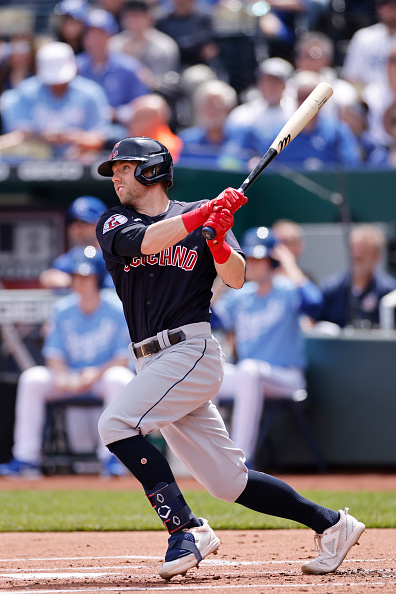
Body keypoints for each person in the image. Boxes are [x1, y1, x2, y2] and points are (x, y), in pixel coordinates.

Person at [93, 134, 365, 581]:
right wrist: (204, 215)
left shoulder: (199, 215)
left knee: (115, 424)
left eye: (124, 168)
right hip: (151, 360)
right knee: (227, 482)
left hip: (191, 349)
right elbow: (140, 243)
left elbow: (235, 277)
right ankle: (332, 524)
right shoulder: (114, 220)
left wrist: (218, 238)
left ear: (151, 170)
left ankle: (185, 529)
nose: (117, 176)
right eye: (116, 170)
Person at [0, 246, 135, 478]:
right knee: (33, 379)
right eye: (75, 276)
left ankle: (113, 459)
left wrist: (95, 373)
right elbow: (54, 354)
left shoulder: (116, 306)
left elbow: (123, 358)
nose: (79, 282)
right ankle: (26, 458)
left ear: (98, 279)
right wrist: (62, 375)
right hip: (70, 378)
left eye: (85, 277)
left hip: (101, 378)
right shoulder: (63, 308)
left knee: (120, 378)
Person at [212, 226, 322, 467]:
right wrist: (224, 273)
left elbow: (315, 303)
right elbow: (208, 317)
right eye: (248, 257)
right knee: (208, 375)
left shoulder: (287, 289)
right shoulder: (242, 295)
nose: (252, 263)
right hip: (250, 377)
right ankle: (214, 458)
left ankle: (241, 461)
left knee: (249, 370)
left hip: (287, 376)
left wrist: (290, 265)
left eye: (259, 258)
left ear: (272, 260)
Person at [0, 41, 110, 161]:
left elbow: (99, 138)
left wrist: (72, 137)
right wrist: (43, 137)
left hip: (77, 157)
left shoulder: (91, 92)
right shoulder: (26, 92)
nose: (57, 84)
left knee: (90, 158)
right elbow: (20, 135)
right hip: (33, 159)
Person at [267, 70, 362, 170]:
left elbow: (351, 165)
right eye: (301, 98)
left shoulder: (336, 131)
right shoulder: (280, 132)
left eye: (309, 97)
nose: (305, 103)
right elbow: (267, 167)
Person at [76, 7, 149, 128]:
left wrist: (116, 113)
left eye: (100, 35)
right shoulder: (75, 66)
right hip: (80, 128)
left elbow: (141, 105)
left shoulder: (129, 67)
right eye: (90, 35)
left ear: (110, 36)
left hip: (117, 129)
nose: (95, 40)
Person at [315, 224, 396, 329]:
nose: (357, 254)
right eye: (353, 248)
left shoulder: (389, 291)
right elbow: (309, 323)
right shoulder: (331, 288)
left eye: (364, 249)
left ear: (377, 255)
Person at [177, 79, 260, 170]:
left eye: (217, 103)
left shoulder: (246, 135)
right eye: (206, 103)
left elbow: (264, 163)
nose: (211, 109)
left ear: (229, 108)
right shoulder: (187, 139)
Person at [39, 195, 112, 290]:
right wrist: (48, 277)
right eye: (73, 222)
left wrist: (73, 281)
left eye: (84, 223)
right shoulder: (67, 260)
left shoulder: (118, 255)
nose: (76, 228)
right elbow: (50, 279)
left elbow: (113, 287)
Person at [108, 0, 181, 94]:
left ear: (149, 18)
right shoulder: (114, 44)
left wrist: (133, 63)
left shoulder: (164, 46)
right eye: (129, 16)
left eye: (137, 16)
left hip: (153, 98)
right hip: (119, 97)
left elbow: (162, 85)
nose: (132, 21)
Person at [226, 57, 295, 142]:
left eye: (275, 82)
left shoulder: (295, 111)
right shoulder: (244, 113)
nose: (269, 86)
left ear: (284, 85)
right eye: (265, 81)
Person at [342, 0, 396, 88]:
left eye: (394, 5)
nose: (392, 9)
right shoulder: (363, 37)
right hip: (365, 97)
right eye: (386, 4)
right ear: (379, 8)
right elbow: (351, 77)